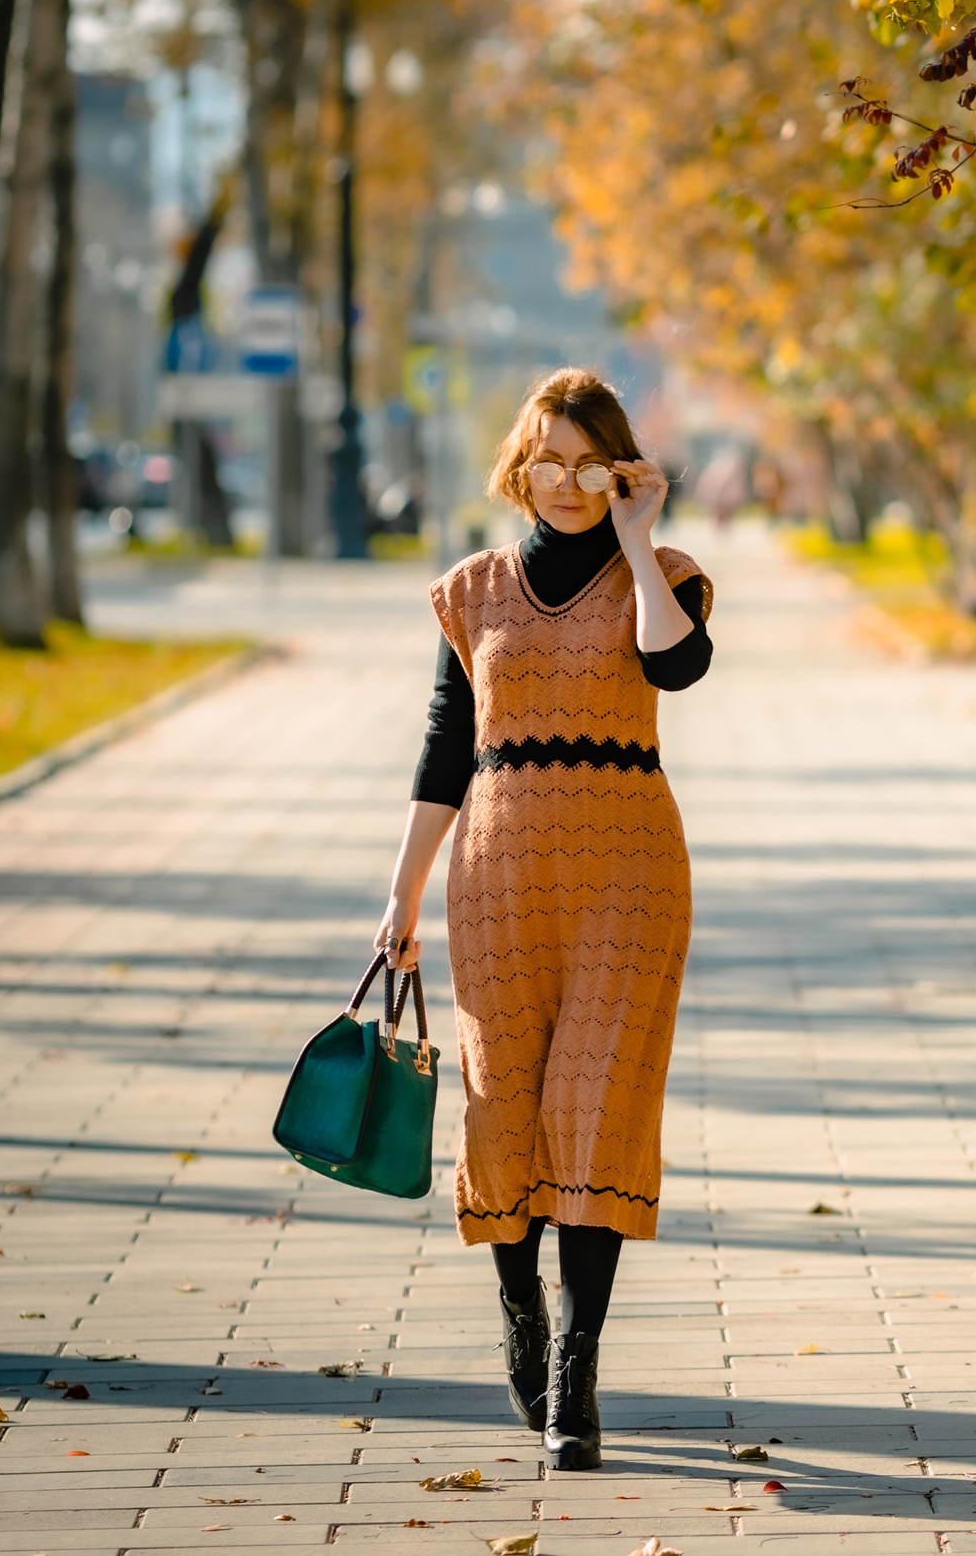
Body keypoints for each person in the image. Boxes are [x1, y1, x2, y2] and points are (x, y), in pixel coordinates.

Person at [373, 368, 711, 1469]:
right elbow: (441, 745)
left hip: (628, 877)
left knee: (594, 1107)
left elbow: (678, 663)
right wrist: (402, 889)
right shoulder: (471, 589)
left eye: (588, 463)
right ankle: (519, 1311)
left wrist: (638, 531)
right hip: (498, 876)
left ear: (617, 468)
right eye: (548, 462)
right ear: (519, 468)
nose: (565, 484)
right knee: (505, 1106)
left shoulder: (665, 575)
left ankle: (577, 1367)